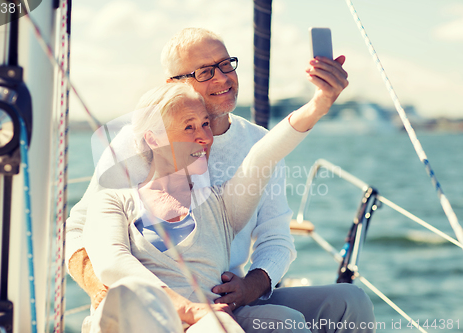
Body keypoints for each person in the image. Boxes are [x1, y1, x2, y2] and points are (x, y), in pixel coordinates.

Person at [67, 28, 376, 332]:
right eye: (204, 72)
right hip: (156, 308)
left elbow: (265, 170)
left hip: (229, 297)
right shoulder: (129, 150)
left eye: (226, 65)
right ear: (174, 85)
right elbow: (87, 236)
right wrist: (104, 290)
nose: (222, 77)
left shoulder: (226, 186)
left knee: (349, 302)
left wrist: (250, 287)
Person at [84, 81, 319, 332]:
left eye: (205, 124)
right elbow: (112, 263)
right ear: (153, 139)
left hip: (213, 324)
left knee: (286, 323)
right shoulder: (112, 201)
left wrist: (318, 105)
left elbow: (264, 154)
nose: (205, 137)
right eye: (189, 127)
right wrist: (189, 309)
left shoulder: (221, 204)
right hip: (146, 322)